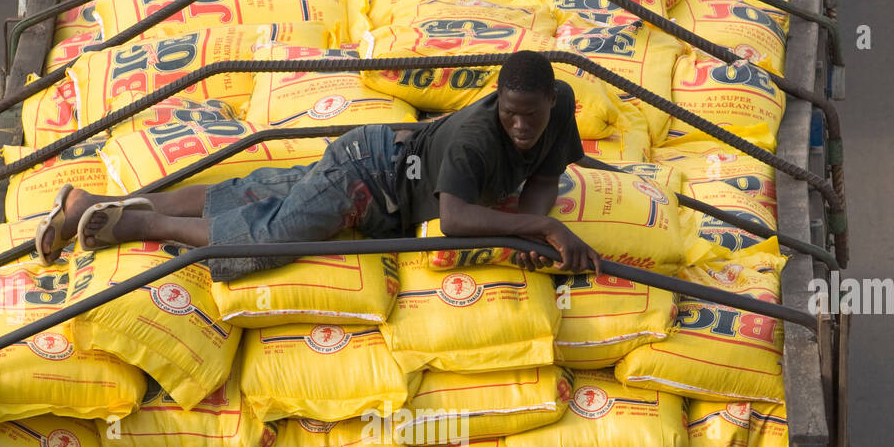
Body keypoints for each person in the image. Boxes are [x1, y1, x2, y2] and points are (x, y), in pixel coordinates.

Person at [35, 50, 603, 282]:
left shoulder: (559, 109)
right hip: (368, 175)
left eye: (530, 116)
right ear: (496, 101)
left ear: (551, 101)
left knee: (248, 195)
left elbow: (546, 177)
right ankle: (134, 225)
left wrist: (535, 231)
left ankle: (83, 206)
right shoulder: (474, 139)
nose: (521, 127)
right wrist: (546, 227)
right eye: (510, 115)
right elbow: (454, 219)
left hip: (376, 163)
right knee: (271, 237)